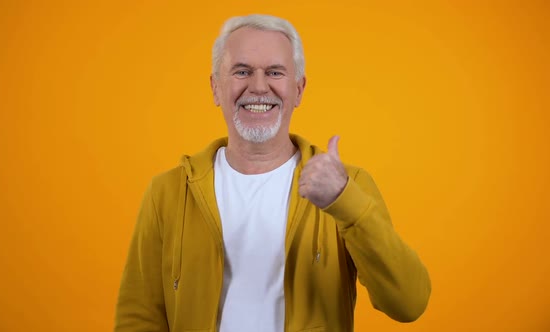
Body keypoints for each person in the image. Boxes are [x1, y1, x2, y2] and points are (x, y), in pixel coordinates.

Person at [115, 14, 431, 332]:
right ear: (215, 87)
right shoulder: (169, 191)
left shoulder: (347, 187)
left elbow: (408, 302)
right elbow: (139, 317)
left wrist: (344, 201)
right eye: (242, 71)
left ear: (298, 89)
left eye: (275, 72)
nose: (258, 86)